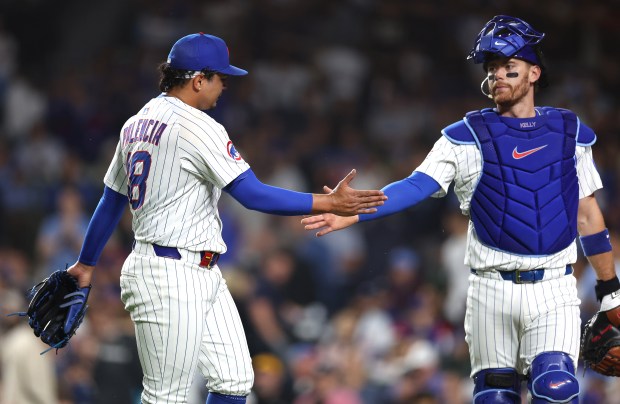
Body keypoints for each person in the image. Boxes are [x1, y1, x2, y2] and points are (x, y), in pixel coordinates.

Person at [302, 15, 619, 403]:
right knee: (494, 397)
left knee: (556, 389)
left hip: (554, 286)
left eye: (509, 67)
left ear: (534, 72)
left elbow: (587, 215)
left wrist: (610, 289)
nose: (499, 75)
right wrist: (353, 212)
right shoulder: (463, 137)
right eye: (492, 69)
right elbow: (415, 186)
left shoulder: (570, 133)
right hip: (490, 288)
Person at [64, 32, 386, 404]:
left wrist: (87, 263)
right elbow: (252, 194)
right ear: (198, 79)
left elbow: (111, 199)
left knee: (233, 381)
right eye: (220, 78)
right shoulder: (198, 126)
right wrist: (327, 203)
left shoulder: (137, 122)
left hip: (201, 270)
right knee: (165, 396)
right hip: (167, 272)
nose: (223, 87)